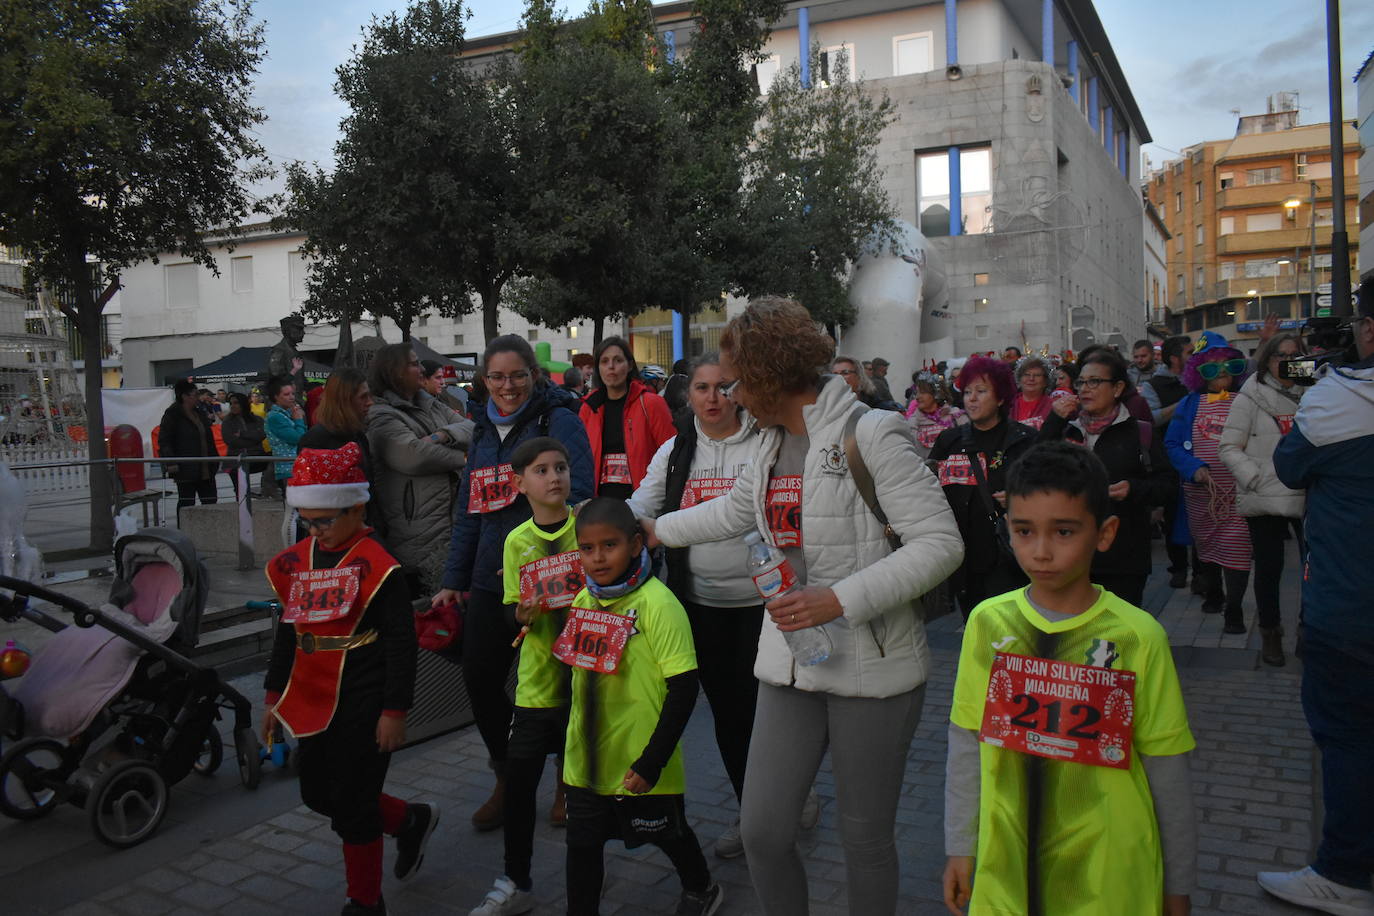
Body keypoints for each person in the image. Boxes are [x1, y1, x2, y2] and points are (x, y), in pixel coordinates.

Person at [643, 297, 963, 916]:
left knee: (864, 840)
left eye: (736, 380)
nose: (729, 394)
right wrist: (655, 529)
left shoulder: (871, 434)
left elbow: (940, 544)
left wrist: (839, 599)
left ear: (766, 374)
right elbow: (737, 511)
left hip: (874, 669)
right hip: (790, 662)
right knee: (763, 833)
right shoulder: (766, 442)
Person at [942, 441, 1196, 916]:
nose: (1040, 551)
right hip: (1006, 874)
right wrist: (961, 846)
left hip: (1110, 879)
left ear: (1104, 533)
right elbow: (966, 741)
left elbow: (1167, 766)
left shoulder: (1138, 637)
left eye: (1063, 531)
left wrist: (1177, 885)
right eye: (1023, 530)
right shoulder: (987, 623)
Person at [260, 444, 437, 916]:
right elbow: (287, 631)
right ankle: (408, 820)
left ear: (356, 508)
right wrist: (273, 696)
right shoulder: (300, 560)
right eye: (307, 520)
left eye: (324, 520)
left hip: (365, 694)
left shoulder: (380, 567)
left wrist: (394, 710)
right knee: (319, 793)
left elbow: (401, 644)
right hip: (310, 694)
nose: (315, 530)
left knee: (354, 804)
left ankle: (364, 901)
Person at [435, 334, 592, 831]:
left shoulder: (559, 420)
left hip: (552, 579)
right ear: (484, 381)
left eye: (517, 375)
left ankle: (569, 779)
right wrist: (454, 578)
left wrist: (537, 553)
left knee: (565, 682)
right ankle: (508, 774)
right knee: (479, 677)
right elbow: (469, 510)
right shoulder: (481, 429)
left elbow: (580, 492)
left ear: (534, 375)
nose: (507, 386)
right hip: (488, 577)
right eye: (497, 377)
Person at [1258, 292, 1374, 914]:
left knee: (1350, 737)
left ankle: (1347, 874)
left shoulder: (1339, 395)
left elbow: (1290, 465)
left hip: (1353, 605)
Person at [626, 354, 766, 859]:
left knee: (767, 715)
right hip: (700, 604)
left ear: (739, 391)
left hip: (765, 605)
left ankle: (784, 800)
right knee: (730, 716)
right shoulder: (676, 450)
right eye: (702, 388)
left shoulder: (765, 441)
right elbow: (641, 505)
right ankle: (754, 815)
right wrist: (595, 523)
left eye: (723, 387)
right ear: (689, 395)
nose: (712, 398)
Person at [562, 498, 722, 916]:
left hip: (643, 760)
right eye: (587, 548)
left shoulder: (659, 604)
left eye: (609, 546)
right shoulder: (583, 601)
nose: (597, 558)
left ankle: (702, 887)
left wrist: (652, 761)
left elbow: (684, 689)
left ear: (636, 546)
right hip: (586, 761)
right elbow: (577, 678)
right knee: (581, 845)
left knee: (670, 834)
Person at [469, 437, 581, 916]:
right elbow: (512, 607)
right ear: (518, 483)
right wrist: (524, 613)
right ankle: (516, 880)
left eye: (560, 467)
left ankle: (589, 884)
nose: (553, 477)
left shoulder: (590, 527)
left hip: (588, 685)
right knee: (519, 788)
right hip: (536, 685)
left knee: (587, 795)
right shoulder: (516, 541)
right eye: (540, 470)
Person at [1039, 349, 1175, 609]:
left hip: (1123, 556)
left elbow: (1168, 486)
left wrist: (1134, 489)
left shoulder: (1140, 432)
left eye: (1095, 382)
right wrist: (1054, 421)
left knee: (1114, 639)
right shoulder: (1068, 427)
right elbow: (1034, 468)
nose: (1085, 389)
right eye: (1081, 382)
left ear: (1117, 387)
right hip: (1069, 555)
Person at [1218, 332, 1305, 667]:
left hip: (1307, 492)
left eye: (1295, 354)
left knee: (1314, 570)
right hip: (1264, 494)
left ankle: (1308, 631)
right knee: (1269, 570)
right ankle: (1270, 632)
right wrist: (1254, 479)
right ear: (1268, 359)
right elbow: (1228, 447)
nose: (1287, 361)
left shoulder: (1314, 391)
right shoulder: (1249, 395)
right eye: (1280, 355)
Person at [928, 356, 1037, 618]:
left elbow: (1049, 492)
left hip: (1008, 555)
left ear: (1000, 397)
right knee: (976, 628)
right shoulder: (950, 440)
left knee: (1010, 631)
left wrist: (1020, 498)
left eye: (981, 391)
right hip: (964, 558)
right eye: (967, 392)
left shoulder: (1024, 440)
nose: (972, 399)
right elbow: (929, 490)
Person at [364, 344, 472, 595]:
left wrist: (442, 436)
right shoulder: (381, 414)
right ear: (395, 372)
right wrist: (464, 457)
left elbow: (473, 429)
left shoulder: (432, 404)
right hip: (415, 538)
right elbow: (413, 455)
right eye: (414, 364)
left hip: (450, 528)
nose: (421, 369)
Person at [1165, 331, 1252, 632]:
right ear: (1198, 372)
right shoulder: (1189, 404)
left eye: (1228, 365)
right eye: (1212, 367)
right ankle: (1214, 592)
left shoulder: (1247, 400)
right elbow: (1173, 444)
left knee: (1239, 548)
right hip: (1200, 494)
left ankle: (1235, 608)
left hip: (1240, 492)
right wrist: (1193, 468)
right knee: (1208, 547)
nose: (1222, 372)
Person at [579, 336, 675, 499]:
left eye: (618, 360)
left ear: (629, 365)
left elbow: (672, 455)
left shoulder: (652, 404)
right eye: (604, 361)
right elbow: (579, 460)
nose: (611, 367)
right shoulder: (589, 408)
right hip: (599, 504)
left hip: (644, 503)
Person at [1143, 336, 1195, 590]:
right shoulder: (1155, 385)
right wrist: (1182, 405)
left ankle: (1203, 571)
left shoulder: (1201, 379)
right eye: (1189, 352)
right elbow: (1151, 419)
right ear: (1174, 358)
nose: (1193, 356)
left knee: (1200, 515)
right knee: (1174, 515)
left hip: (1200, 456)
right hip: (1170, 458)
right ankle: (1178, 567)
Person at [159, 379, 220, 519]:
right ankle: (185, 531)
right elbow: (165, 440)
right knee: (187, 501)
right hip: (185, 466)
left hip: (206, 466)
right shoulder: (172, 414)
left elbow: (209, 438)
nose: (197, 397)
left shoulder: (199, 413)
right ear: (184, 396)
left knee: (211, 501)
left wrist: (215, 459)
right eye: (194, 394)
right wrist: (171, 462)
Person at [220, 392, 267, 499]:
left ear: (243, 404)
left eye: (236, 403)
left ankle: (268, 490)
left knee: (273, 464)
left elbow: (262, 434)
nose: (233, 406)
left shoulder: (256, 419)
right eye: (231, 403)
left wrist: (242, 434)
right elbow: (230, 441)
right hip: (235, 460)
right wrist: (253, 440)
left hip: (257, 456)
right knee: (241, 492)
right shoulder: (227, 421)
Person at [905, 379, 967, 460]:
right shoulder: (913, 422)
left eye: (923, 392)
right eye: (917, 392)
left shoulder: (956, 416)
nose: (917, 397)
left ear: (936, 394)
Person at [265, 375, 307, 488]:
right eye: (286, 394)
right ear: (276, 397)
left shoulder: (287, 413)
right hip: (288, 468)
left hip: (298, 465)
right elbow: (299, 439)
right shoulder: (275, 417)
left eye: (292, 394)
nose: (292, 397)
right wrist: (298, 420)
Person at [832, 356, 900, 411]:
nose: (839, 377)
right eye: (834, 374)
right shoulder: (827, 402)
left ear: (858, 376)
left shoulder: (871, 399)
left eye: (845, 373)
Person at [1009, 356, 1054, 430]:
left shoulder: (1053, 406)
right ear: (1019, 379)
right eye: (1026, 374)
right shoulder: (1008, 404)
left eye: (1037, 375)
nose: (1031, 379)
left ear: (1045, 381)